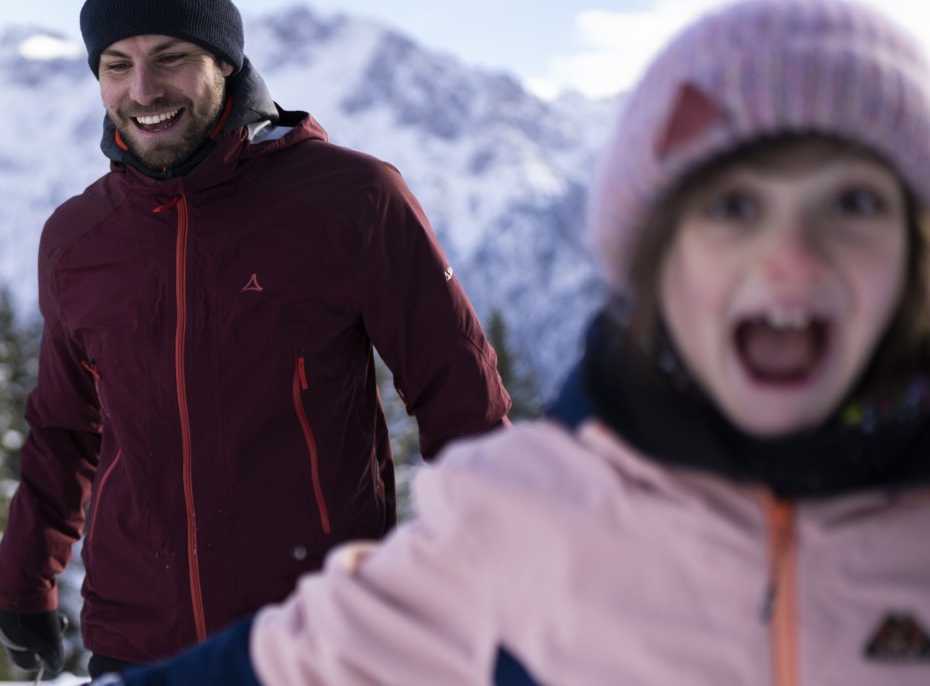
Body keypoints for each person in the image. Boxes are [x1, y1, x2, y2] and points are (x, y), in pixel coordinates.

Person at [107, 0, 930, 683]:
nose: (789, 263)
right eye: (733, 209)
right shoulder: (532, 517)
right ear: (655, 255)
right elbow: (301, 662)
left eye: (853, 205)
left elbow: (448, 369)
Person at [0, 0, 512, 677]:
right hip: (136, 641)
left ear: (225, 62)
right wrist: (22, 580)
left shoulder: (349, 199)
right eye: (117, 66)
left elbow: (460, 396)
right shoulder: (78, 238)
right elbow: (63, 428)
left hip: (319, 631)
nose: (142, 91)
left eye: (170, 58)